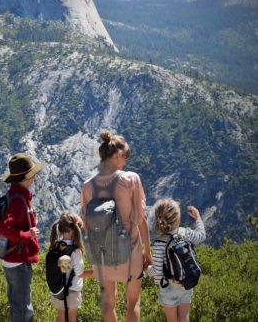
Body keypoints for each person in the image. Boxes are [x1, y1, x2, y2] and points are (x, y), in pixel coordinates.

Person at [81, 130, 152, 322]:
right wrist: (148, 251)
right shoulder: (130, 179)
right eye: (125, 157)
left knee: (107, 304)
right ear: (119, 155)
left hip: (102, 252)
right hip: (129, 249)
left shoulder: (87, 186)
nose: (126, 161)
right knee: (133, 302)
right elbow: (141, 218)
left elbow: (86, 225)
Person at [0, 152, 43, 322]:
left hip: (10, 258)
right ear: (26, 178)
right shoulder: (18, 200)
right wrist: (28, 235)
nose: (33, 178)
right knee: (24, 306)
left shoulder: (14, 196)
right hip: (18, 260)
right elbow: (6, 228)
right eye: (32, 175)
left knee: (17, 302)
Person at [147, 198, 206, 322]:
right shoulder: (185, 233)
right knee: (184, 317)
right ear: (177, 219)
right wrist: (198, 218)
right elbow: (201, 236)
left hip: (168, 287)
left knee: (171, 319)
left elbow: (157, 270)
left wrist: (148, 269)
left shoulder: (159, 243)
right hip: (186, 283)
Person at [49, 211, 91, 322]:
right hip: (72, 290)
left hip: (58, 289)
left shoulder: (56, 246)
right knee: (72, 318)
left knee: (60, 316)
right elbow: (79, 273)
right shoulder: (76, 251)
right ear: (75, 230)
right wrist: (94, 272)